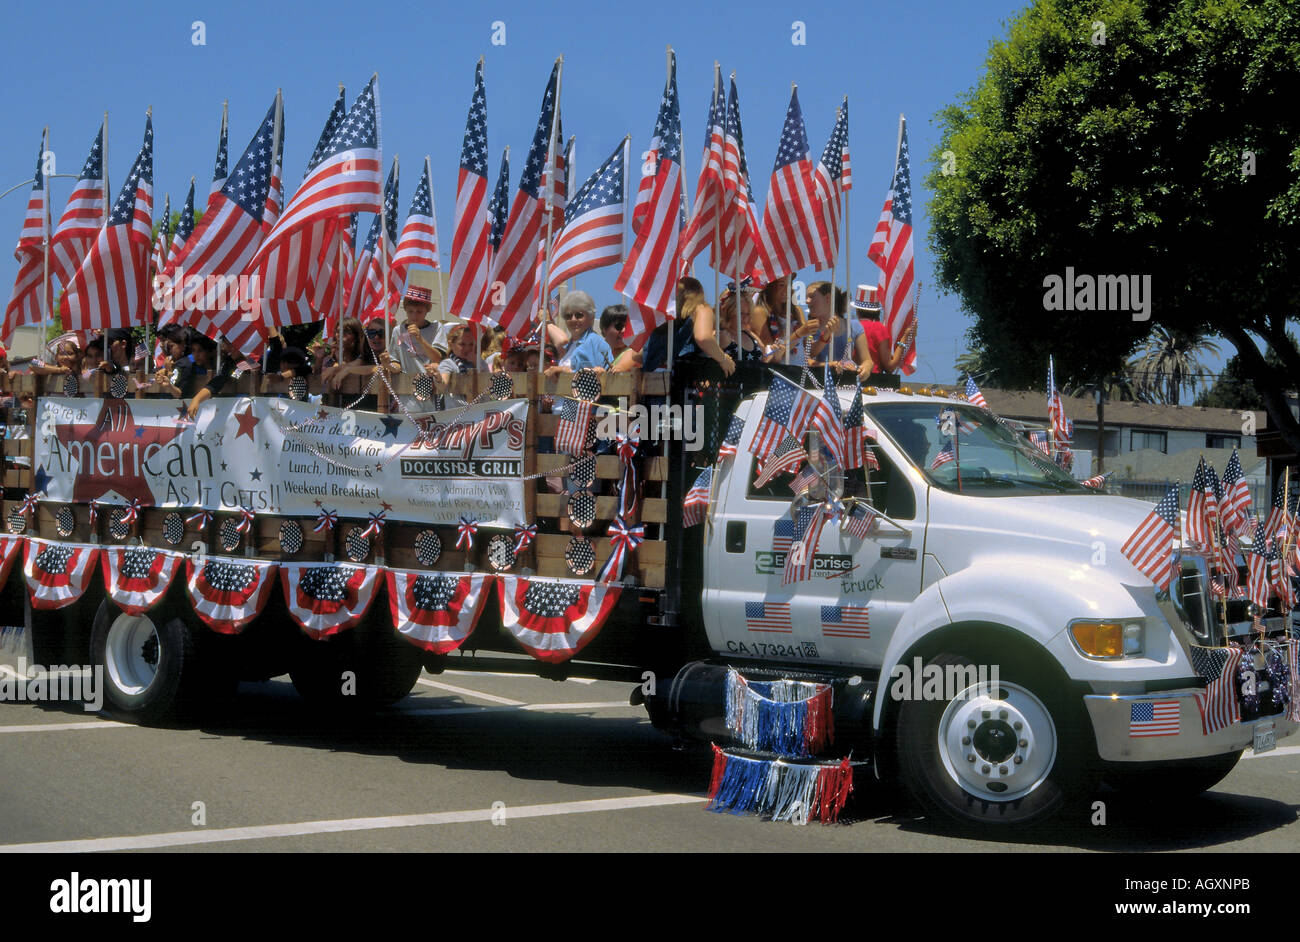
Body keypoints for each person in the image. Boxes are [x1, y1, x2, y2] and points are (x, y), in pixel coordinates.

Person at [797, 281, 872, 376]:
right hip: (815, 385)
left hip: (845, 385)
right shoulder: (809, 329)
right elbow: (805, 359)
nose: (807, 301)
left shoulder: (853, 326)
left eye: (811, 296)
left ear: (828, 298)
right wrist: (829, 365)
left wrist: (865, 369)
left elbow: (867, 360)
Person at [545, 291, 613, 376]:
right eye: (568, 316)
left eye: (579, 315)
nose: (573, 320)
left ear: (591, 317)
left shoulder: (595, 342)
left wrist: (564, 371)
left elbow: (599, 377)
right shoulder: (568, 347)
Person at [852, 284, 914, 374]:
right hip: (873, 382)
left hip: (847, 381)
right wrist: (905, 336)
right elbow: (889, 366)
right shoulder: (878, 328)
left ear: (857, 310)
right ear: (876, 311)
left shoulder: (849, 326)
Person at [389, 285, 442, 373]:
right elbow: (396, 362)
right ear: (405, 310)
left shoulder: (436, 328)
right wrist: (388, 364)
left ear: (427, 311)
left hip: (430, 381)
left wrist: (420, 339)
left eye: (419, 311)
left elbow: (437, 358)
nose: (414, 316)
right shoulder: (398, 331)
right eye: (410, 311)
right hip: (406, 382)